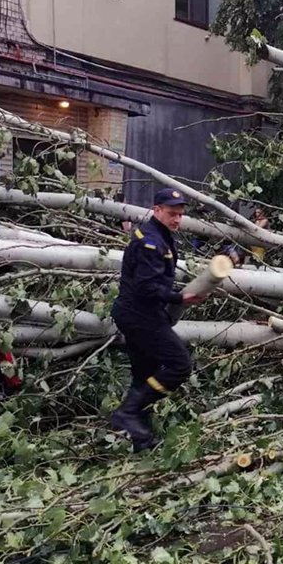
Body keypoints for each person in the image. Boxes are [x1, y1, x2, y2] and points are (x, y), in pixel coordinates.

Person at [109, 188, 206, 451]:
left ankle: (142, 439)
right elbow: (146, 287)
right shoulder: (149, 241)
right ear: (157, 209)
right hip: (141, 316)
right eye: (172, 214)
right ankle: (127, 412)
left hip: (139, 314)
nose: (177, 220)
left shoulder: (160, 236)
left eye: (180, 215)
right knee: (179, 365)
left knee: (145, 376)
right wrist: (179, 299)